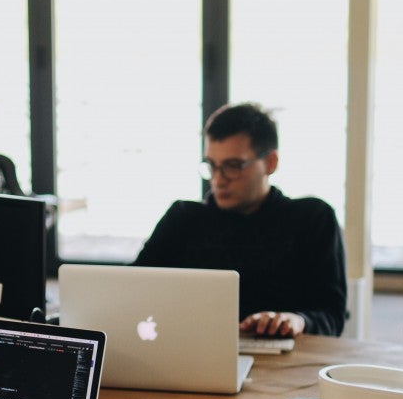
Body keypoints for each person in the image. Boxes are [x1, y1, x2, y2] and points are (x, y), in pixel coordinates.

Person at [133, 101, 347, 337]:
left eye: (233, 166)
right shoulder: (182, 219)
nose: (218, 179)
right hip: (192, 356)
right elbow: (131, 290)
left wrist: (297, 320)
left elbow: (332, 316)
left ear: (270, 163)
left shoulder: (313, 219)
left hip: (285, 363)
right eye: (212, 165)